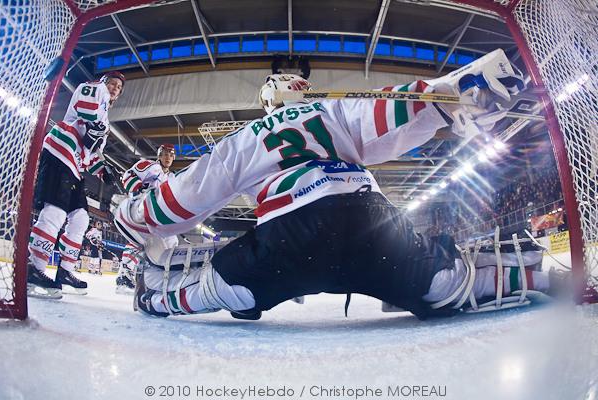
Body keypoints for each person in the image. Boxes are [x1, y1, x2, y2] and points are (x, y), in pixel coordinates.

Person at [115, 49, 557, 320]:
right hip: (369, 224)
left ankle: (157, 299)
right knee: (441, 283)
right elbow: (397, 111)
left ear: (268, 102)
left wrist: (133, 214)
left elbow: (181, 202)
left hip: (289, 239)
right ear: (302, 89)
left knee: (233, 289)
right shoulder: (332, 110)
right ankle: (540, 275)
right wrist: (456, 89)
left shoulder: (244, 138)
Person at [27, 71, 125, 299]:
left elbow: (90, 153)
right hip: (60, 151)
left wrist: (103, 171)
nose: (114, 88)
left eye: (119, 87)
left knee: (80, 218)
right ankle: (35, 267)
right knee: (55, 212)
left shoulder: (106, 122)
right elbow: (85, 106)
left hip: (75, 165)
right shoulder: (95, 89)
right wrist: (95, 126)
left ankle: (65, 271)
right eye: (112, 83)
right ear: (103, 82)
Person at [115, 144, 177, 294]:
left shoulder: (172, 178)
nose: (168, 157)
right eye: (165, 154)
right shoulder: (150, 166)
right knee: (139, 240)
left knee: (172, 243)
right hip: (140, 208)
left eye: (171, 154)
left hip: (157, 216)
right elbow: (128, 176)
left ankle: (156, 279)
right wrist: (139, 187)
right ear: (159, 156)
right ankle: (124, 276)